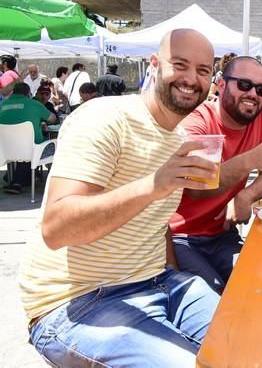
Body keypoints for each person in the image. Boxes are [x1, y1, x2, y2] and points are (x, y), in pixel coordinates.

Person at [18, 29, 221, 367]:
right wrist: (154, 184)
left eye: (202, 70)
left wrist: (173, 272)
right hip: (77, 302)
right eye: (180, 65)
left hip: (159, 283)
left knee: (250, 339)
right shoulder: (104, 118)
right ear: (154, 65)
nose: (191, 79)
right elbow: (57, 229)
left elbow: (158, 224)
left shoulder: (180, 139)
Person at [169, 56, 262, 292]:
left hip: (222, 235)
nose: (253, 94)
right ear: (223, 85)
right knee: (218, 300)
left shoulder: (261, 117)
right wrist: (251, 159)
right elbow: (197, 189)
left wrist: (246, 196)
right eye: (244, 85)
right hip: (182, 237)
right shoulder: (199, 121)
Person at [0, 82, 57, 194]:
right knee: (40, 144)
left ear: (13, 92)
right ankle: (20, 181)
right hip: (31, 150)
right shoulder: (34, 104)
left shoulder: (2, 104)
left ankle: (17, 178)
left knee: (24, 146)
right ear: (28, 94)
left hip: (5, 149)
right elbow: (52, 119)